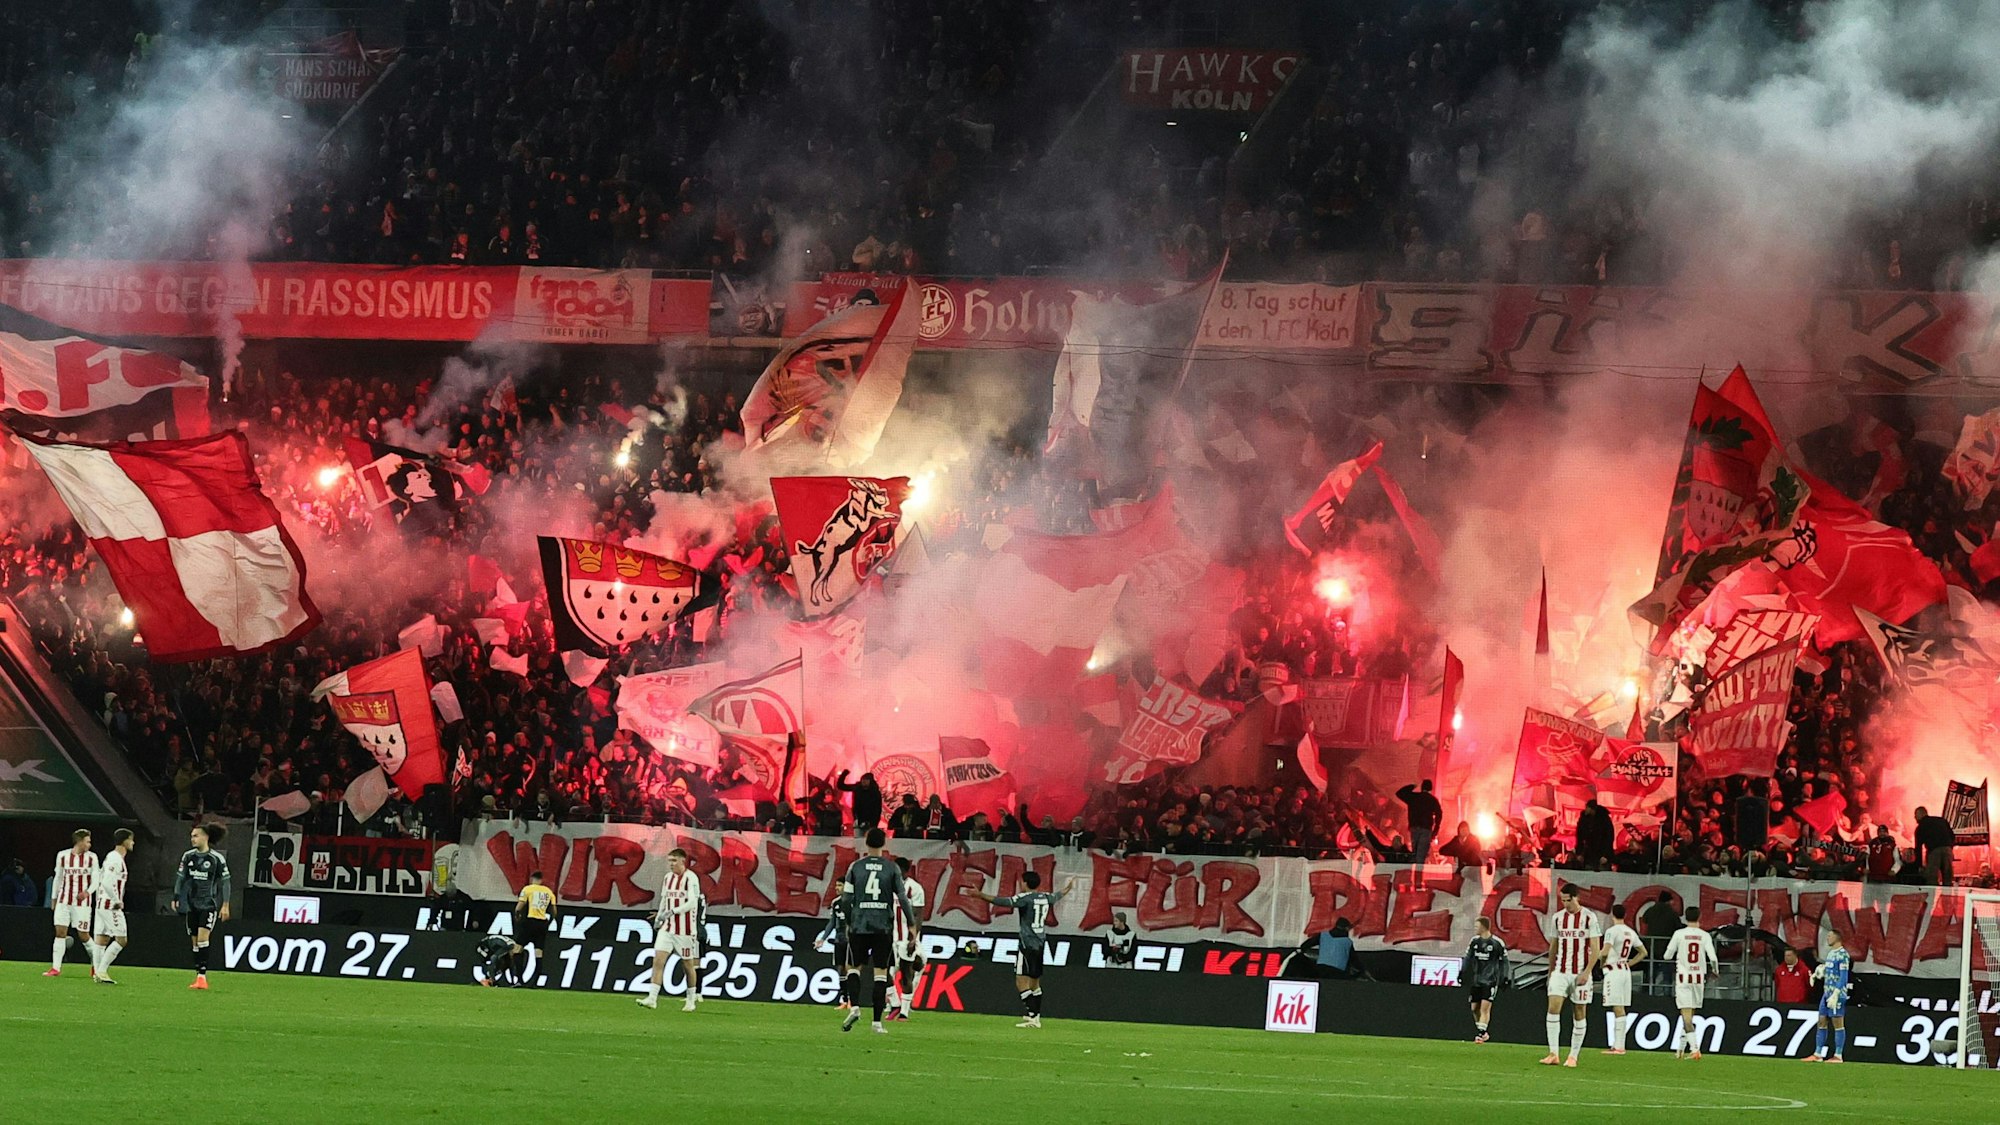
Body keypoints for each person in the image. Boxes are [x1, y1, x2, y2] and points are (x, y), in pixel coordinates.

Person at [970, 870, 1077, 1029]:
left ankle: (1033, 1016)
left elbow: (1004, 902)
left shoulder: (1024, 898)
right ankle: (1035, 1016)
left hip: (1027, 943)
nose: (1020, 884)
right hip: (1041, 943)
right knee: (1035, 982)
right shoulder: (1045, 897)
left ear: (1025, 883)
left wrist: (981, 895)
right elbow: (1057, 895)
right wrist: (1068, 888)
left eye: (1021, 881)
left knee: (1021, 981)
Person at [842, 828, 915, 1034]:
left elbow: (846, 899)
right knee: (881, 973)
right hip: (883, 926)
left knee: (853, 967)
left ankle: (855, 1007)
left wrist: (850, 920)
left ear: (866, 842)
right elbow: (902, 898)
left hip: (860, 924)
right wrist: (911, 923)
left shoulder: (855, 867)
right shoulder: (892, 868)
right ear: (884, 843)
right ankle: (876, 1022)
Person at [1543, 883, 1602, 1067]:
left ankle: (1573, 1056)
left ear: (1578, 898)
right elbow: (1554, 946)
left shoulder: (1589, 918)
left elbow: (1595, 948)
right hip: (1561, 971)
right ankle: (1553, 1053)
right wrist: (1550, 971)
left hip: (1581, 973)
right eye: (1563, 900)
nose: (1566, 904)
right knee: (1553, 1007)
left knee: (1579, 1011)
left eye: (1569, 900)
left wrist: (1587, 972)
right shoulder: (1557, 918)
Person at [638, 848, 703, 1012]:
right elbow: (664, 900)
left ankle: (691, 1000)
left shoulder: (691, 878)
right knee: (658, 961)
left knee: (688, 965)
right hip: (667, 928)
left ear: (683, 861)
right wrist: (660, 918)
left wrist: (674, 911)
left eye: (674, 861)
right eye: (670, 861)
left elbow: (692, 903)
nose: (671, 864)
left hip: (685, 930)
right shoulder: (668, 878)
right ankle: (652, 998)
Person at [172, 822, 231, 990]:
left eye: (196, 835)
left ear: (206, 837)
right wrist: (176, 896)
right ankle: (198, 975)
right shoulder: (188, 856)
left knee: (203, 939)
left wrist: (225, 905)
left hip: (208, 905)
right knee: (195, 942)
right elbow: (181, 877)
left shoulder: (216, 858)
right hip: (191, 905)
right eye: (191, 836)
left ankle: (202, 977)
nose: (192, 839)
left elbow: (225, 883)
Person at [1666, 907, 1719, 1060]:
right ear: (1699, 916)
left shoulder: (1679, 934)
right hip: (1698, 978)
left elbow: (1668, 955)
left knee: (1686, 1016)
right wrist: (1715, 970)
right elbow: (1713, 958)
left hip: (1683, 978)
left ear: (1685, 918)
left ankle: (1695, 1049)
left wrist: (1672, 954)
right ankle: (1680, 1050)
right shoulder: (1704, 935)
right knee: (1690, 1015)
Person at [46, 828, 96, 977]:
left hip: (82, 904)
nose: (89, 844)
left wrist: (88, 892)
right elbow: (58, 878)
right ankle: (55, 968)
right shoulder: (62, 856)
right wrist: (53, 899)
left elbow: (96, 879)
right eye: (87, 841)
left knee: (83, 935)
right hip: (64, 901)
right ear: (79, 841)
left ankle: (97, 965)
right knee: (60, 933)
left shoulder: (92, 858)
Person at [1600, 903, 1646, 1055]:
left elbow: (1605, 952)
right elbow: (1643, 952)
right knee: (1621, 1008)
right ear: (1625, 915)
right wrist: (1630, 963)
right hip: (1625, 971)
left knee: (1617, 1007)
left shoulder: (1612, 931)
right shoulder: (1630, 932)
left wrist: (1601, 963)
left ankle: (1619, 1046)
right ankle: (1618, 1045)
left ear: (1612, 914)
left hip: (1614, 971)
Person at [91, 829, 135, 985]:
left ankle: (97, 972)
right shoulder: (116, 859)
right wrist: (117, 900)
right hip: (110, 905)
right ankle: (102, 971)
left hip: (102, 903)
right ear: (124, 841)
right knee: (121, 939)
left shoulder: (112, 857)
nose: (133, 843)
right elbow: (107, 882)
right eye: (131, 840)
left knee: (101, 939)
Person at [887, 856, 926, 1020]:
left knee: (906, 973)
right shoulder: (888, 886)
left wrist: (913, 938)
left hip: (905, 938)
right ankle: (895, 1003)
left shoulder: (915, 888)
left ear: (905, 871)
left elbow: (918, 915)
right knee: (885, 973)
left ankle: (904, 1011)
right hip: (890, 936)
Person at [1805, 932, 1853, 1062]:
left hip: (1837, 995)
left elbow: (1843, 976)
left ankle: (1838, 1055)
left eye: (1830, 936)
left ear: (1837, 937)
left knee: (1838, 1023)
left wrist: (1836, 994)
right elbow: (1829, 969)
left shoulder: (1843, 955)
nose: (1827, 937)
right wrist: (1817, 974)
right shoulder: (1831, 953)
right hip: (1826, 993)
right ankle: (1818, 1054)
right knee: (1821, 1021)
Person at [1460, 916, 1508, 1043]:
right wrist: (1462, 972)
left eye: (1477, 926)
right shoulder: (1474, 942)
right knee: (1474, 1008)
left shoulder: (1497, 943)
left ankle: (1480, 1035)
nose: (1475, 928)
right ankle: (1484, 1032)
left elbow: (1505, 962)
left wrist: (1504, 977)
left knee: (1485, 1008)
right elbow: (1467, 958)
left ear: (1483, 927)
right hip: (1476, 980)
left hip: (1491, 980)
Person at [513, 869, 557, 986]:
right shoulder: (548, 891)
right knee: (538, 952)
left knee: (517, 949)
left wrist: (517, 916)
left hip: (530, 922)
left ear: (532, 879)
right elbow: (554, 911)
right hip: (542, 924)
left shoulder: (528, 889)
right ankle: (535, 982)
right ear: (542, 880)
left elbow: (519, 907)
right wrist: (549, 922)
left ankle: (519, 980)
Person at [813, 887, 853, 1011]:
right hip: (839, 940)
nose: (837, 888)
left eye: (840, 885)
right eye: (836, 885)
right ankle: (844, 1000)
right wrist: (823, 938)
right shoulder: (836, 903)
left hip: (851, 941)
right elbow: (832, 922)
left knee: (850, 970)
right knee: (840, 969)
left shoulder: (855, 901)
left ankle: (853, 1000)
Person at [1640, 891, 1680, 993]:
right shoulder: (1672, 913)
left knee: (1650, 974)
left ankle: (1647, 994)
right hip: (1666, 947)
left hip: (1651, 947)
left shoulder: (1650, 910)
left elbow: (1644, 921)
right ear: (1669, 900)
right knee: (1667, 976)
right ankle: (1666, 996)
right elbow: (1678, 927)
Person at [1396, 780, 1443, 862]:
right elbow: (1439, 815)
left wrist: (1412, 786)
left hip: (1414, 828)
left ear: (1422, 787)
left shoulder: (1413, 797)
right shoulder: (1432, 800)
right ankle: (1419, 870)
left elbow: (1399, 793)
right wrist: (1435, 830)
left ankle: (1415, 868)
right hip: (1426, 829)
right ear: (1430, 788)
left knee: (1416, 851)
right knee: (1421, 853)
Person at [1915, 806, 1956, 886]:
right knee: (1948, 876)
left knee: (1931, 877)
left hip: (1934, 852)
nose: (1915, 817)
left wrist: (1919, 865)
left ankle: (1931, 897)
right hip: (1947, 850)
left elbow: (1918, 848)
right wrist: (1950, 848)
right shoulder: (1941, 820)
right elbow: (1952, 836)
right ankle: (1948, 896)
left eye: (1916, 815)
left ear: (1920, 814)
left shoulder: (1920, 827)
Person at [837, 770, 883, 834]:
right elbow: (841, 786)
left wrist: (874, 823)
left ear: (870, 781)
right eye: (862, 779)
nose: (863, 781)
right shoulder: (857, 788)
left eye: (866, 780)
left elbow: (878, 809)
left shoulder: (875, 792)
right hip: (858, 820)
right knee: (858, 840)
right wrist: (843, 775)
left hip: (871, 822)